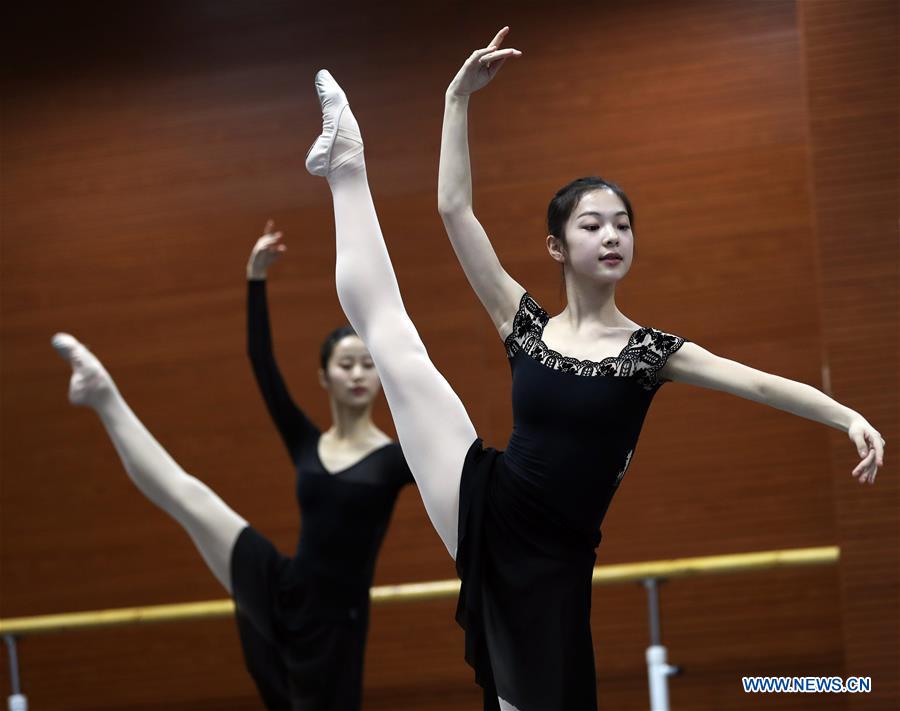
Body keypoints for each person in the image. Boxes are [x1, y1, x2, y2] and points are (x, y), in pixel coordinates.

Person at [303, 27, 886, 710]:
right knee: (394, 343)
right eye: (592, 224)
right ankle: (346, 161)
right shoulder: (524, 323)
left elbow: (755, 380)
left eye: (623, 224)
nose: (612, 235)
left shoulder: (650, 353)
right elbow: (453, 208)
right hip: (488, 501)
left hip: (555, 565)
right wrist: (456, 99)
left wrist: (847, 415)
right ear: (555, 244)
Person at [51, 222, 413, 710]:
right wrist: (255, 281)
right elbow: (261, 364)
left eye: (367, 364)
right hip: (284, 590)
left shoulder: (395, 459)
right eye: (345, 364)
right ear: (324, 376)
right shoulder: (307, 444)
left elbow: (456, 480)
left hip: (336, 626)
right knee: (189, 496)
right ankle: (101, 393)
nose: (356, 374)